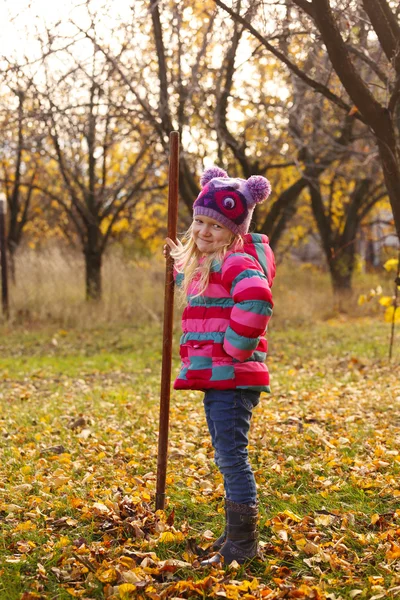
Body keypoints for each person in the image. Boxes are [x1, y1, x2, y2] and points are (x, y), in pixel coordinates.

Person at [164, 166, 276, 566]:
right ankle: (234, 535)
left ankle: (243, 546)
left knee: (232, 456)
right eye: (198, 220)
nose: (204, 230)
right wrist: (176, 264)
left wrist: (236, 348)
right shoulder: (214, 262)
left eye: (215, 224)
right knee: (226, 453)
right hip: (220, 377)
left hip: (232, 376)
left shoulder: (236, 262)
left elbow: (257, 298)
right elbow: (200, 291)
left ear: (235, 230)